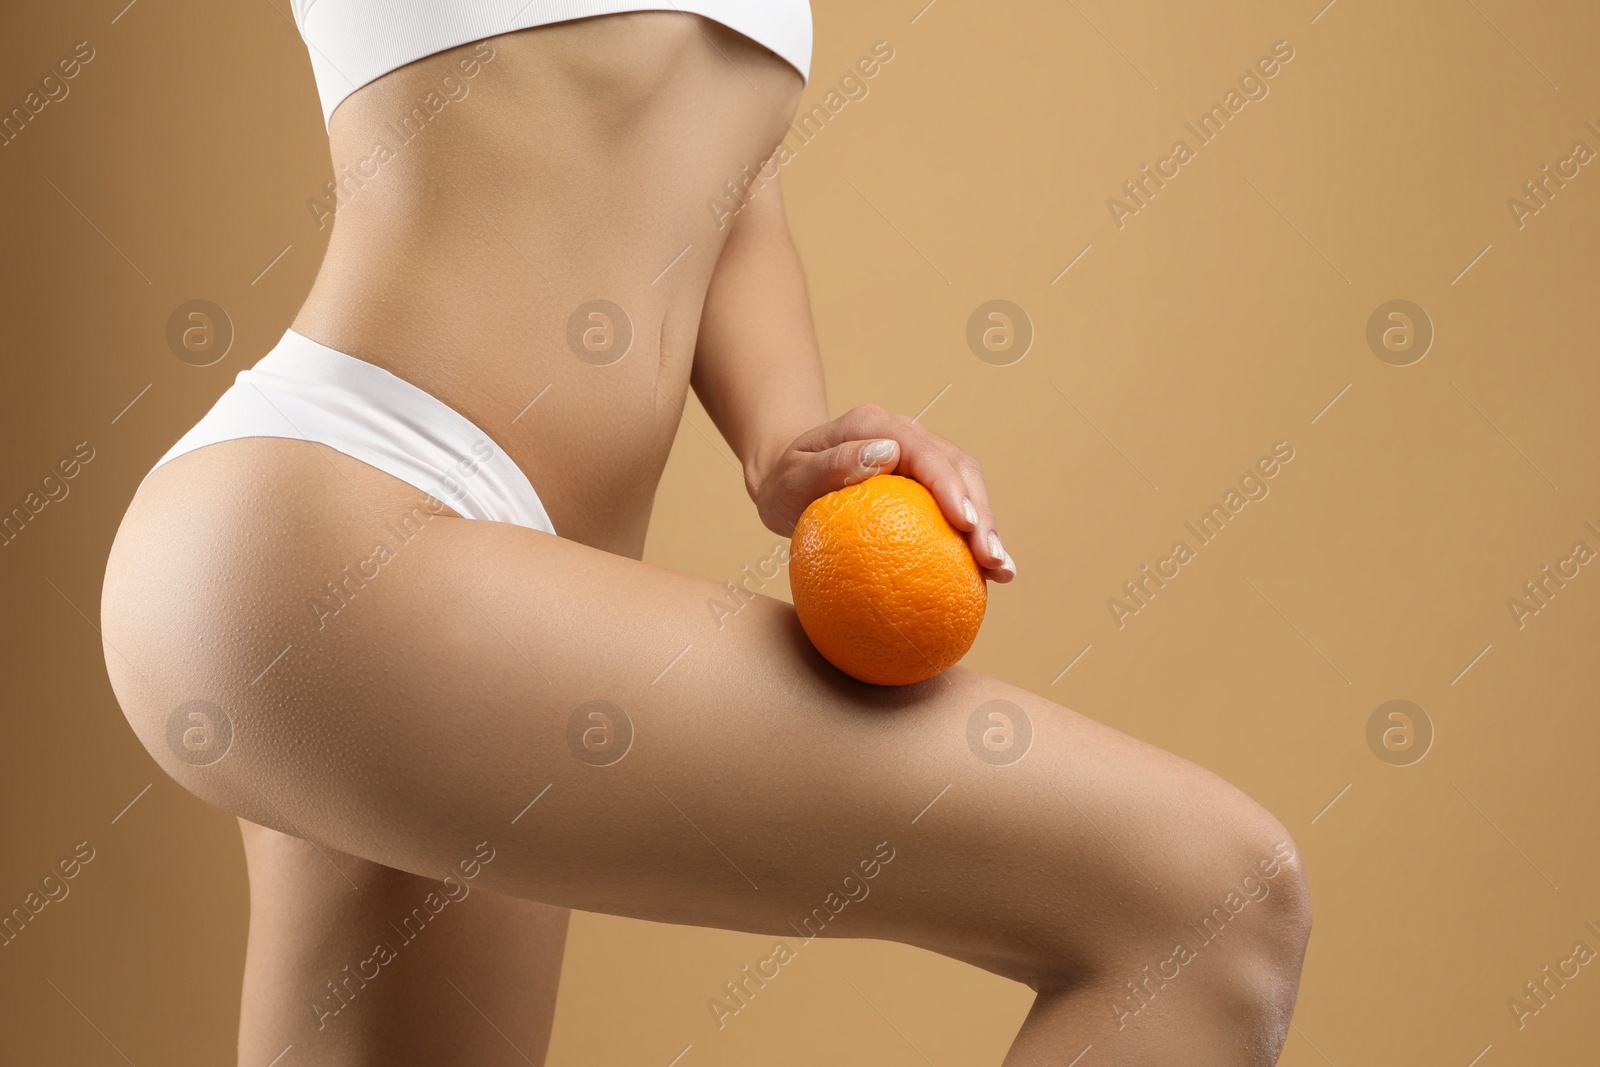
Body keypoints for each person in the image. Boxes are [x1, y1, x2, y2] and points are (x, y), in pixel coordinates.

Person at [100, 4, 1311, 1063]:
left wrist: (788, 445)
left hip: (489, 590)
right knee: (1202, 901)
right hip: (331, 524)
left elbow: (731, 200)